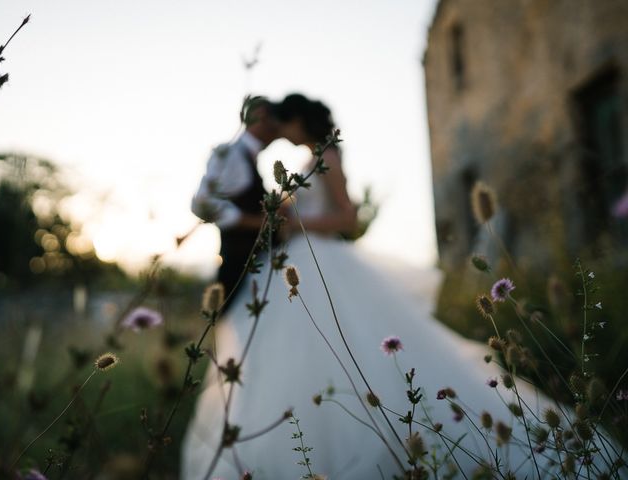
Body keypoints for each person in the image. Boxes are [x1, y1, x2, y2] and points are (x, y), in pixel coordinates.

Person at [182, 95, 620, 479]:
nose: (279, 131)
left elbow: (348, 218)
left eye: (284, 123)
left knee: (342, 351)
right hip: (300, 263)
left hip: (322, 261)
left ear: (298, 122)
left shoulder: (328, 156)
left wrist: (288, 222)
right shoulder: (306, 161)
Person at [191, 96, 280, 310]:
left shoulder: (249, 157)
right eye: (275, 119)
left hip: (257, 268)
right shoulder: (230, 153)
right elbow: (201, 203)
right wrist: (253, 222)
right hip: (237, 268)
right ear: (260, 116)